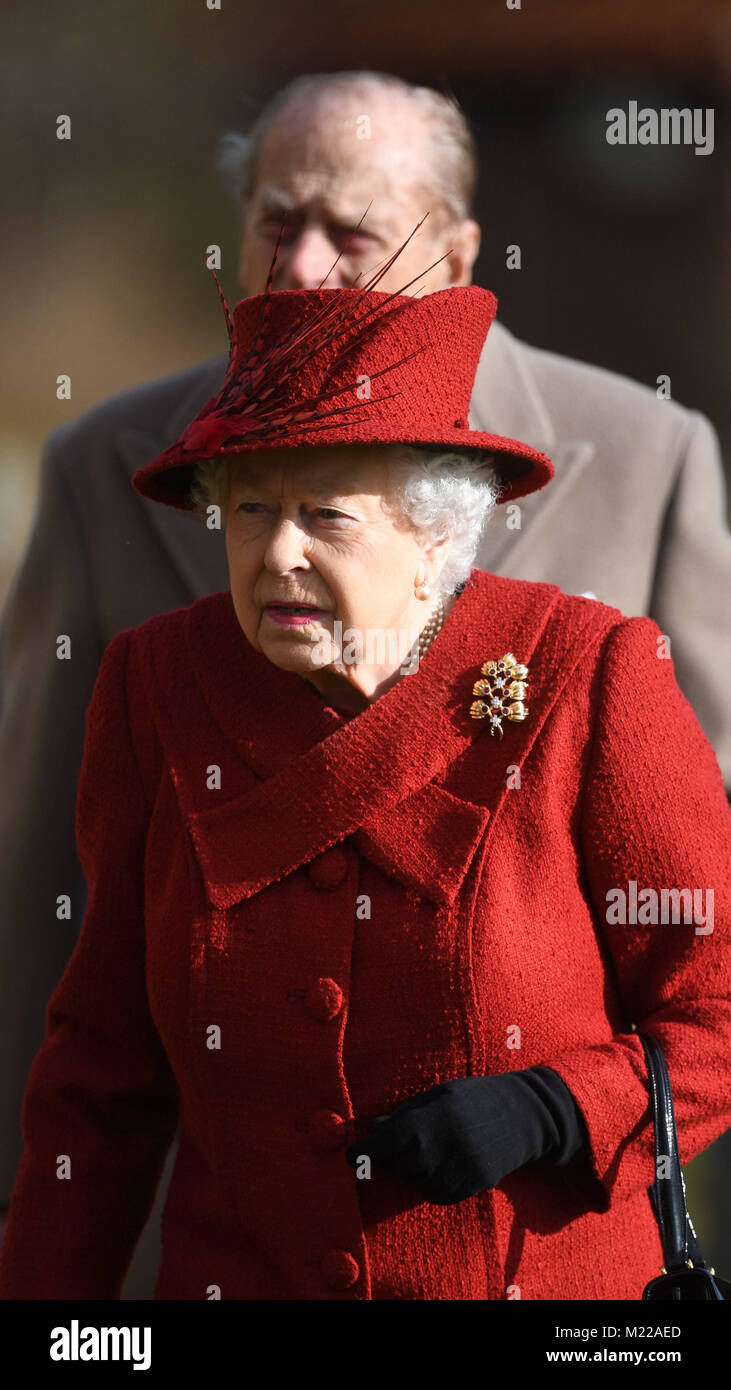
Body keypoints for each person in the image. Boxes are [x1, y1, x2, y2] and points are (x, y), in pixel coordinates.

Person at [2, 70, 730, 1295]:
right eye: (276, 222)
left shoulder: (619, 580)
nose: (304, 265)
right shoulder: (141, 634)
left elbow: (699, 982)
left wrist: (561, 1107)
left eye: (350, 229)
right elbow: (73, 987)